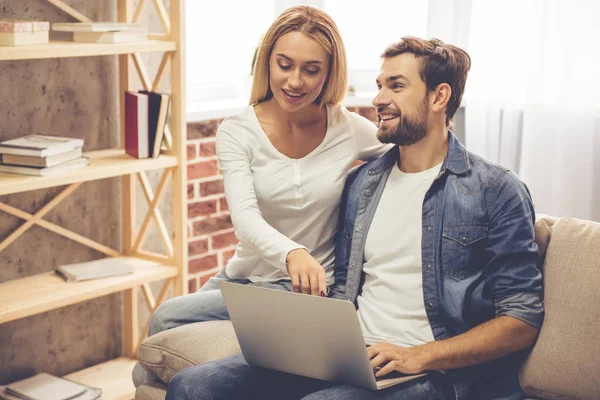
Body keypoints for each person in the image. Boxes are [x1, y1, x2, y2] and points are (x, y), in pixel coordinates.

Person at [165, 36, 544, 400]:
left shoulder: (495, 189)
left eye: (396, 86)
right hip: (348, 357)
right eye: (380, 86)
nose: (379, 99)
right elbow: (343, 285)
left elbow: (522, 320)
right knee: (192, 387)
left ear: (439, 96)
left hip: (432, 372)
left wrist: (420, 355)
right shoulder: (363, 184)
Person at [132, 5, 390, 387]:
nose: (295, 81)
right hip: (243, 277)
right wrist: (292, 252)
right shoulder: (237, 131)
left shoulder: (349, 128)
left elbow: (404, 160)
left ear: (330, 72)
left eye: (311, 69)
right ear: (267, 61)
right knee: (164, 321)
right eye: (284, 64)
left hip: (305, 289)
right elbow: (246, 218)